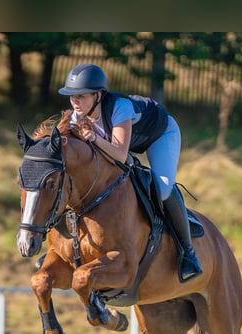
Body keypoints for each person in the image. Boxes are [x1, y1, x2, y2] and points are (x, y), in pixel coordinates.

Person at [58, 63, 202, 282]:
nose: (75, 102)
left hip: (159, 134)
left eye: (82, 96)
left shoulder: (119, 107)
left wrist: (94, 138)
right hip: (124, 144)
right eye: (72, 97)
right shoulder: (78, 117)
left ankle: (188, 253)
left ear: (98, 95)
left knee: (162, 189)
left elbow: (121, 155)